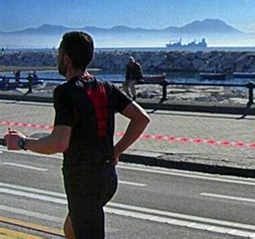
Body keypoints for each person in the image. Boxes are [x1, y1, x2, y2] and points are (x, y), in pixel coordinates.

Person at [5, 32, 150, 239]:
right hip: (107, 177)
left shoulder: (66, 92)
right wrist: (115, 151)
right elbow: (141, 118)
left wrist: (21, 142)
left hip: (83, 180)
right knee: (71, 229)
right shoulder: (106, 87)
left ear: (66, 58)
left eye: (58, 53)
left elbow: (58, 143)